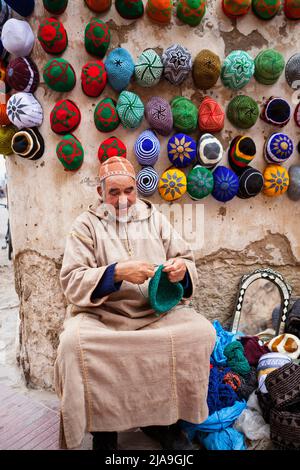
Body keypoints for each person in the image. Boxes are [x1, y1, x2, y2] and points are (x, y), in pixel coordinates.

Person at [54, 156, 216, 450]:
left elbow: (186, 259)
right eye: (114, 192)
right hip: (103, 316)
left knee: (201, 332)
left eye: (128, 190)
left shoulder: (154, 218)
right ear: (101, 193)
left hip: (155, 314)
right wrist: (116, 272)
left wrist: (181, 270)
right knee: (73, 345)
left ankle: (164, 422)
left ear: (136, 189)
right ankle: (103, 429)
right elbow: (72, 280)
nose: (123, 199)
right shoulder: (85, 225)